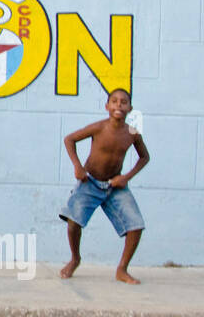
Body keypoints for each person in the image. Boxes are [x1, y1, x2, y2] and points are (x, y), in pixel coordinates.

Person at [58, 88, 149, 284]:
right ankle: (75, 259)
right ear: (107, 106)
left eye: (123, 102)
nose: (119, 105)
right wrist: (78, 166)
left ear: (130, 108)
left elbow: (144, 157)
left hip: (115, 185)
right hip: (89, 181)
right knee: (73, 221)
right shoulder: (98, 127)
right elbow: (69, 139)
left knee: (136, 225)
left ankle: (122, 269)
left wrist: (126, 177)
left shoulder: (132, 132)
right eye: (114, 101)